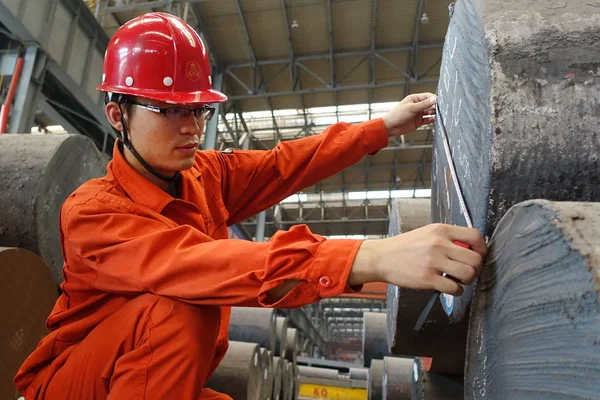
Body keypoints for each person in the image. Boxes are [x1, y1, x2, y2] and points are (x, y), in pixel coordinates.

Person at [14, 12, 486, 400]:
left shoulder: (203, 174)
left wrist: (382, 127)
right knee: (179, 309)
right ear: (119, 114)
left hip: (147, 381)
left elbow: (284, 165)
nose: (192, 127)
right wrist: (370, 255)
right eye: (171, 110)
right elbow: (196, 263)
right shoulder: (92, 213)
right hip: (71, 387)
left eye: (198, 110)